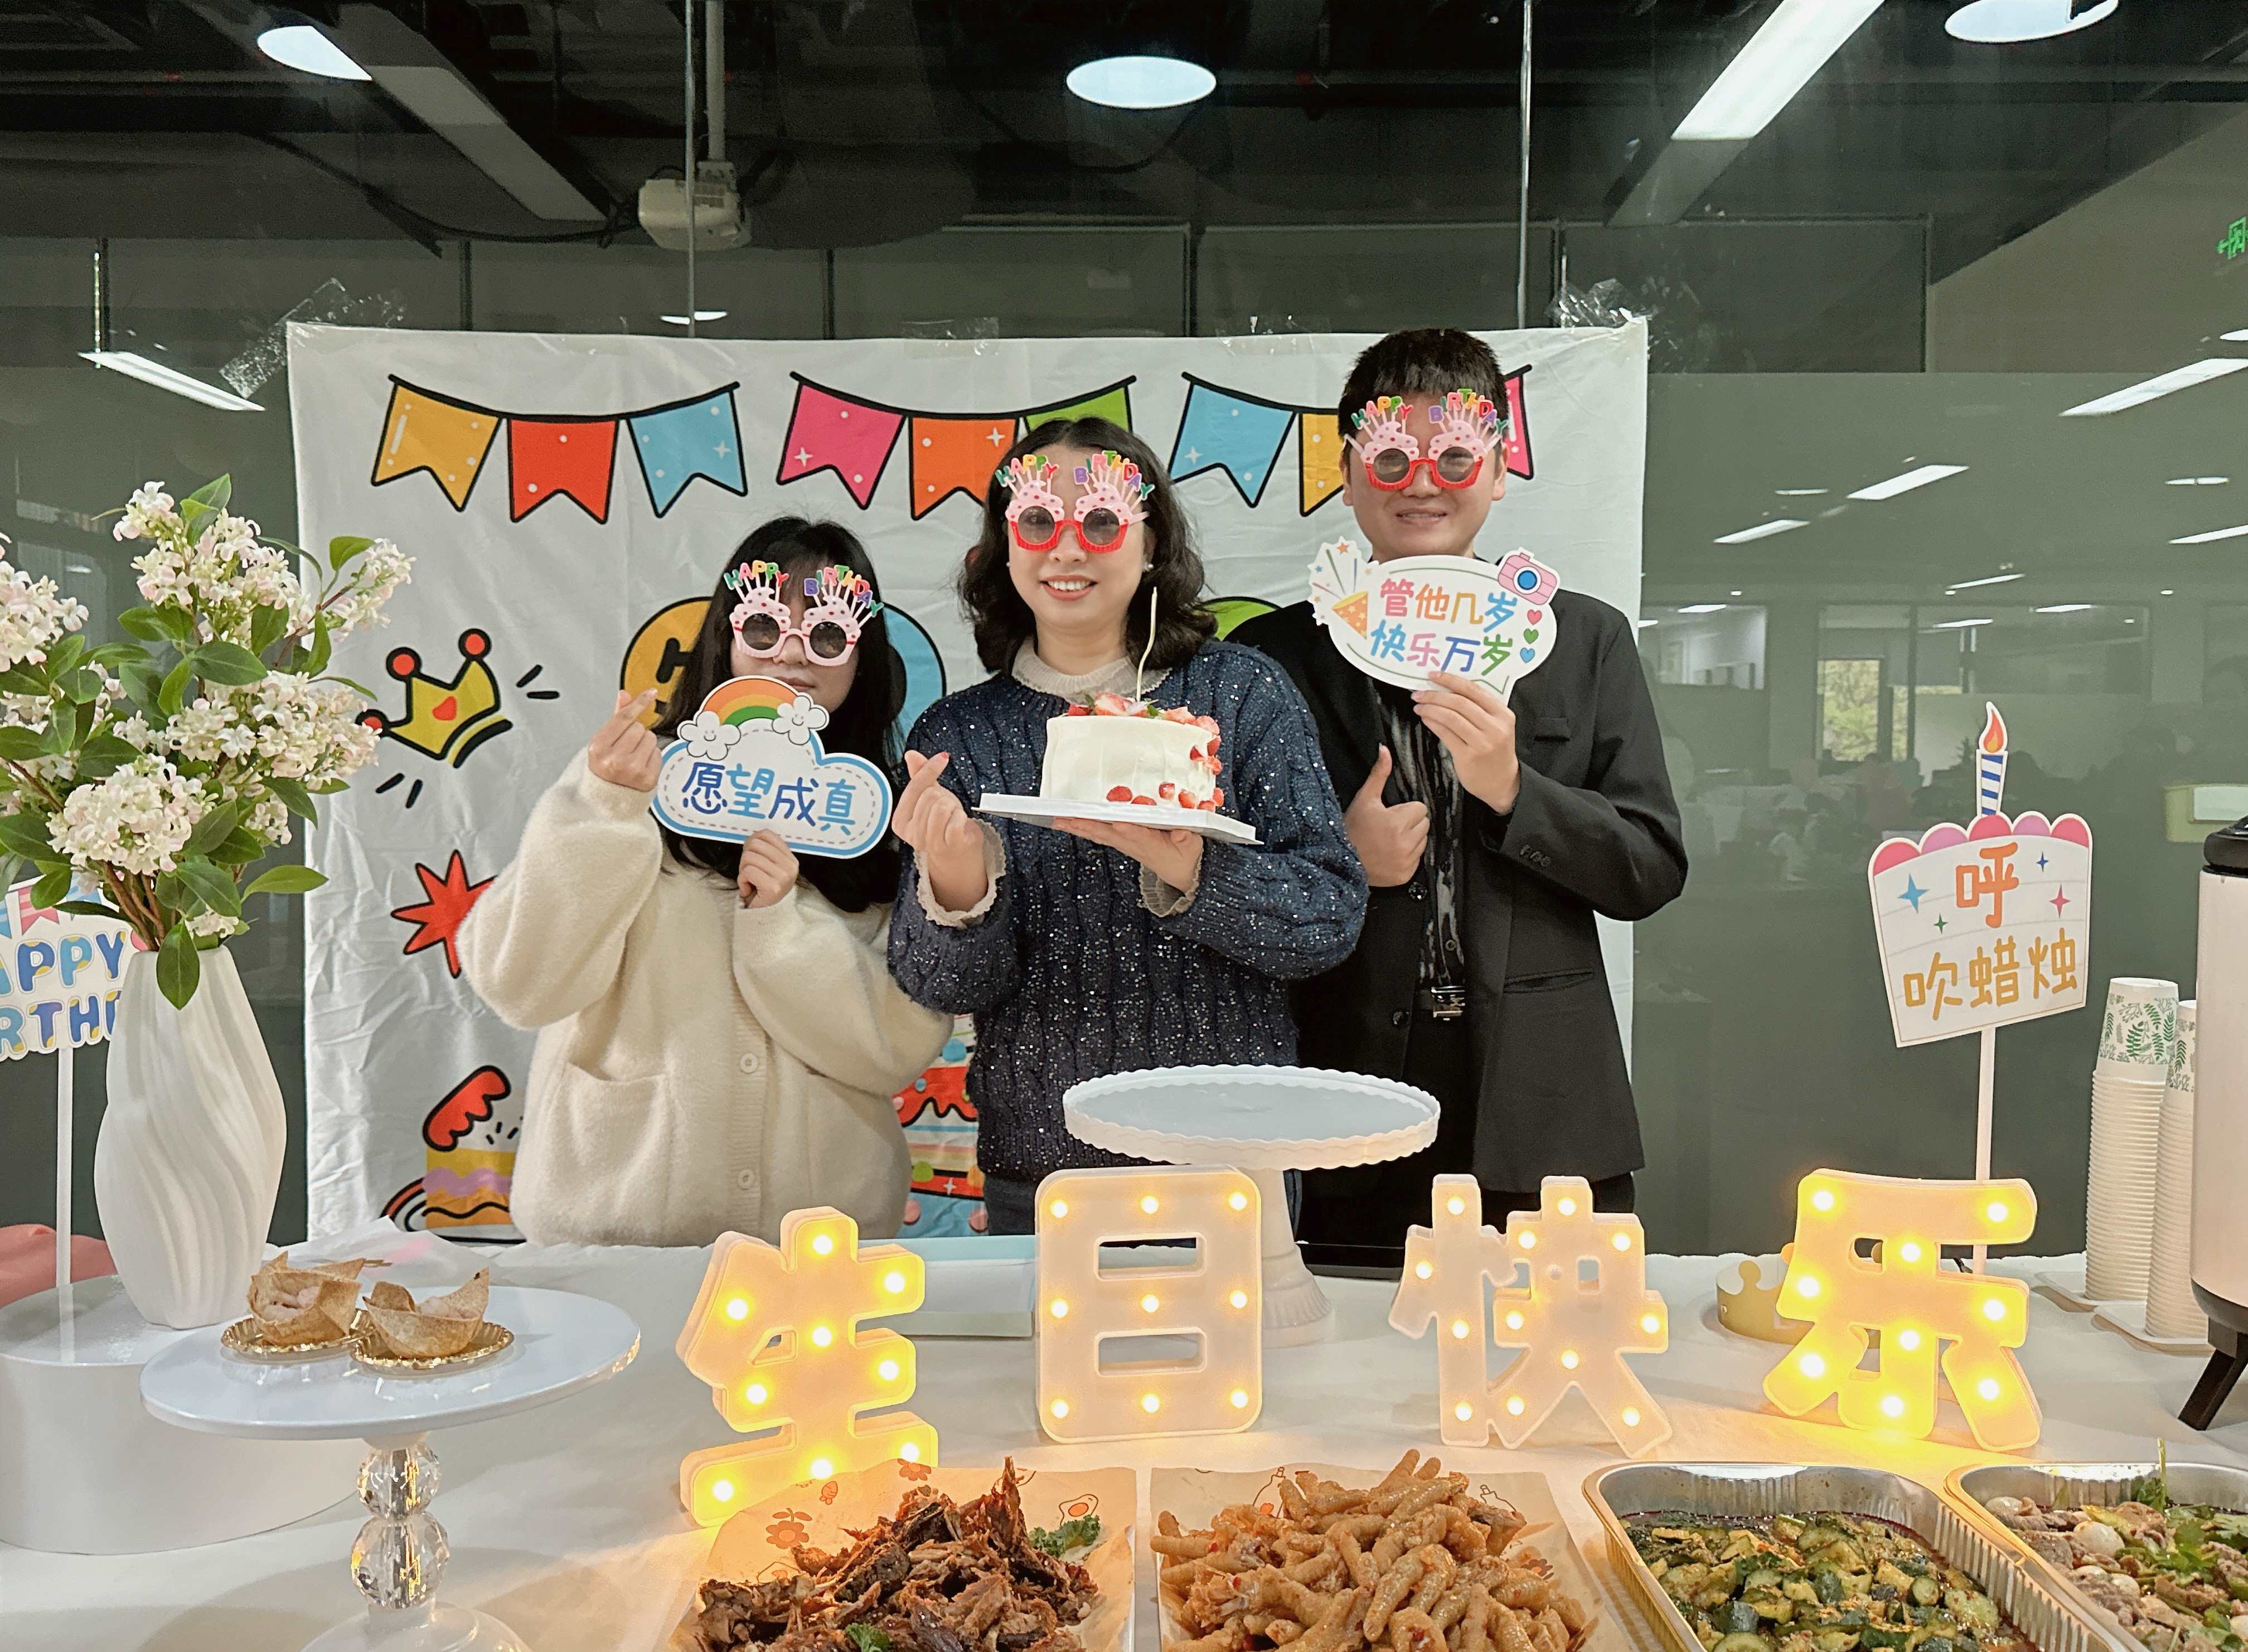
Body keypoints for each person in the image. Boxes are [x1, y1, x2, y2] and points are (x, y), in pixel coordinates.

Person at [1233, 329, 1685, 1260]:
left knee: (1559, 1338)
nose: (1422, 484)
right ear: (1348, 475)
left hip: (1545, 1100)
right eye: (1390, 460)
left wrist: (1516, 790)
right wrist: (1341, 864)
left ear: (1499, 469)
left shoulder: (1581, 640)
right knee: (1349, 1345)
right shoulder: (1274, 658)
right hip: (1343, 1093)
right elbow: (1223, 883)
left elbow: (1650, 867)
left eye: (1453, 459)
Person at [886, 418, 1367, 1235]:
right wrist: (958, 882)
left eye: (1102, 521)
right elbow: (944, 988)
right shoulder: (958, 734)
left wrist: (1194, 873)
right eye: (1038, 521)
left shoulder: (1241, 693)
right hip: (1045, 1173)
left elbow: (1327, 920)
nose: (1067, 549)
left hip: (1232, 1164)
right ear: (1004, 547)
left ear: (1151, 545)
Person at [459, 519, 951, 1247]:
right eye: (765, 626)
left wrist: (782, 924)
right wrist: (604, 809)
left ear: (862, 657)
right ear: (725, 637)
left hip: (818, 1246)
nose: (793, 653)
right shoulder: (637, 778)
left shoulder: (873, 818)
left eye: (825, 635)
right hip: (616, 1232)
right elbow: (518, 982)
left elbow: (897, 1048)